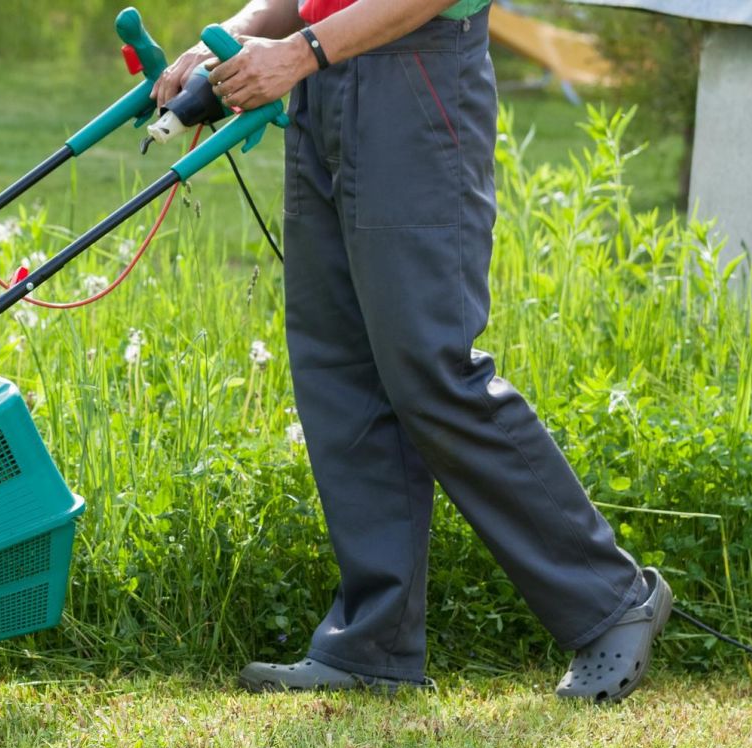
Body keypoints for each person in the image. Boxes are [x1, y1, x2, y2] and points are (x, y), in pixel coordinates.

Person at [155, 0, 671, 701]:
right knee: (340, 369)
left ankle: (611, 599)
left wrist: (300, 51)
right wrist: (243, 35)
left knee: (431, 367)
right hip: (321, 79)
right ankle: (372, 645)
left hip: (416, 71)